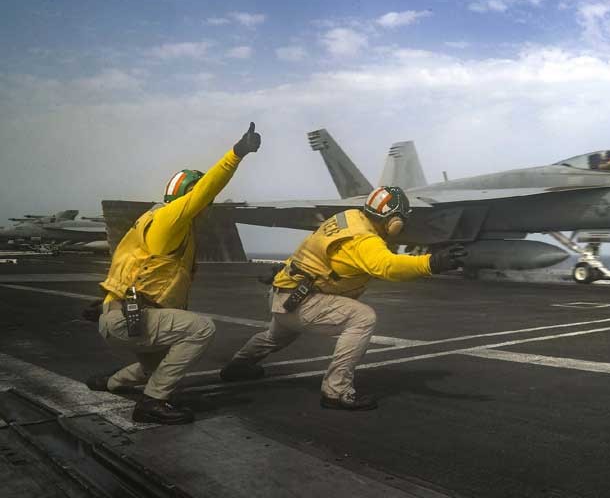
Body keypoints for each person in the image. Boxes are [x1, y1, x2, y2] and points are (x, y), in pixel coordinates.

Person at [218, 186, 467, 411]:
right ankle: (336, 392)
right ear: (393, 221)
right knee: (362, 317)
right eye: (401, 218)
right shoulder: (364, 239)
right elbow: (387, 266)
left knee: (275, 336)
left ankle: (237, 367)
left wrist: (281, 270)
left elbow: (311, 247)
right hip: (304, 301)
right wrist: (432, 262)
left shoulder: (347, 217)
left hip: (285, 293)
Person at [86, 123, 261, 425]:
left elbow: (128, 261)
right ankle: (151, 403)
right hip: (131, 317)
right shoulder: (171, 218)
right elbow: (208, 189)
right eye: (199, 199)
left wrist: (105, 299)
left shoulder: (152, 219)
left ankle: (110, 383)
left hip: (124, 314)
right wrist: (237, 153)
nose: (206, 205)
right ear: (187, 196)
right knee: (200, 329)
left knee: (154, 365)